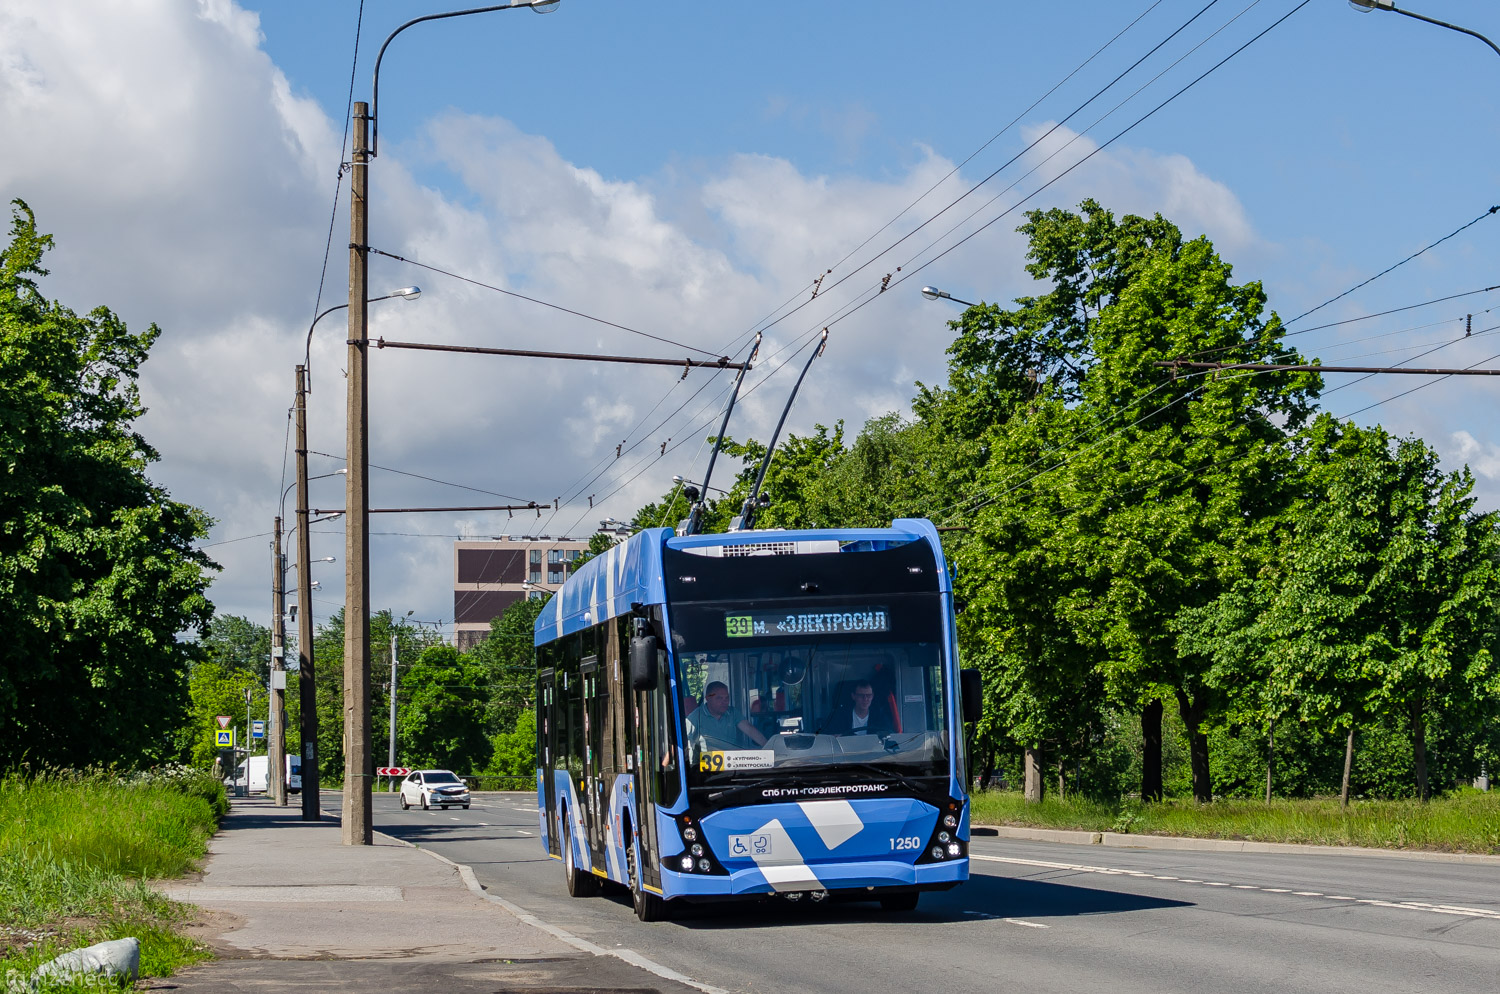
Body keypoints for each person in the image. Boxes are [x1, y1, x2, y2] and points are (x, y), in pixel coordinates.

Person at [684, 681, 768, 753]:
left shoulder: (732, 712)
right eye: (719, 698)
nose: (724, 702)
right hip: (707, 767)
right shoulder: (695, 717)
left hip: (732, 764)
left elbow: (750, 730)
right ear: (707, 698)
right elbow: (683, 742)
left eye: (727, 698)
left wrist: (769, 747)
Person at [819, 680, 895, 737]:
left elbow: (890, 733)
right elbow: (827, 735)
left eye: (868, 695)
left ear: (872, 696)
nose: (865, 699)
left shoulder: (880, 715)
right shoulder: (839, 715)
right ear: (853, 696)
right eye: (861, 695)